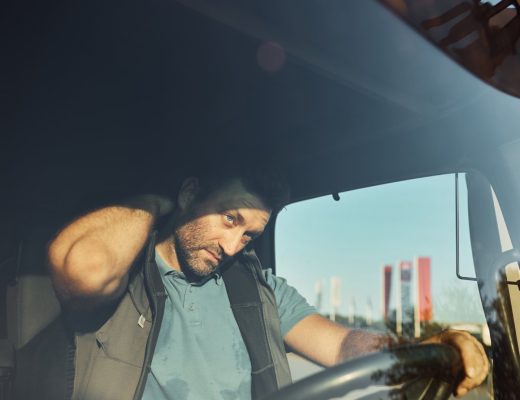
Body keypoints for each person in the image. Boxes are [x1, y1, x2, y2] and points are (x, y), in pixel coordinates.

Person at [45, 165, 489, 400]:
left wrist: (419, 348)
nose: (234, 246)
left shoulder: (258, 290)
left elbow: (340, 344)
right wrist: (156, 203)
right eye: (230, 218)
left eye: (250, 235)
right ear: (188, 194)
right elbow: (84, 271)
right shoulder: (126, 275)